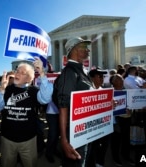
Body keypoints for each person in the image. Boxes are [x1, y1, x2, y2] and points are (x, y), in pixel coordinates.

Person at [0, 57, 53, 167]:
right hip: (7, 139)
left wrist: (42, 73)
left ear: (29, 79)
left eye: (23, 72)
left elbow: (46, 98)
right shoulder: (7, 89)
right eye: (17, 71)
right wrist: (1, 89)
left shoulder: (33, 91)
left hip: (28, 140)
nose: (18, 73)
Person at [53, 37, 93, 167]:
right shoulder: (69, 72)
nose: (88, 50)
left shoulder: (81, 71)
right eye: (84, 47)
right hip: (74, 133)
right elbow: (63, 106)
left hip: (85, 128)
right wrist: (64, 140)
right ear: (76, 49)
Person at [87, 68, 110, 167]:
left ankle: (99, 162)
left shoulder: (103, 91)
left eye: (103, 76)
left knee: (104, 144)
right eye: (99, 76)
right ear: (92, 78)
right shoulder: (86, 91)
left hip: (103, 125)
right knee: (91, 148)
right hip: (91, 127)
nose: (102, 79)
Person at [109, 74, 133, 166]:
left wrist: (131, 110)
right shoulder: (110, 93)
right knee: (116, 140)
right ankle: (116, 157)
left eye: (122, 79)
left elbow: (132, 104)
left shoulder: (127, 92)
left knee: (126, 139)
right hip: (116, 120)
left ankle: (126, 155)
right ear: (114, 82)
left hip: (126, 118)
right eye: (119, 79)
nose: (122, 81)